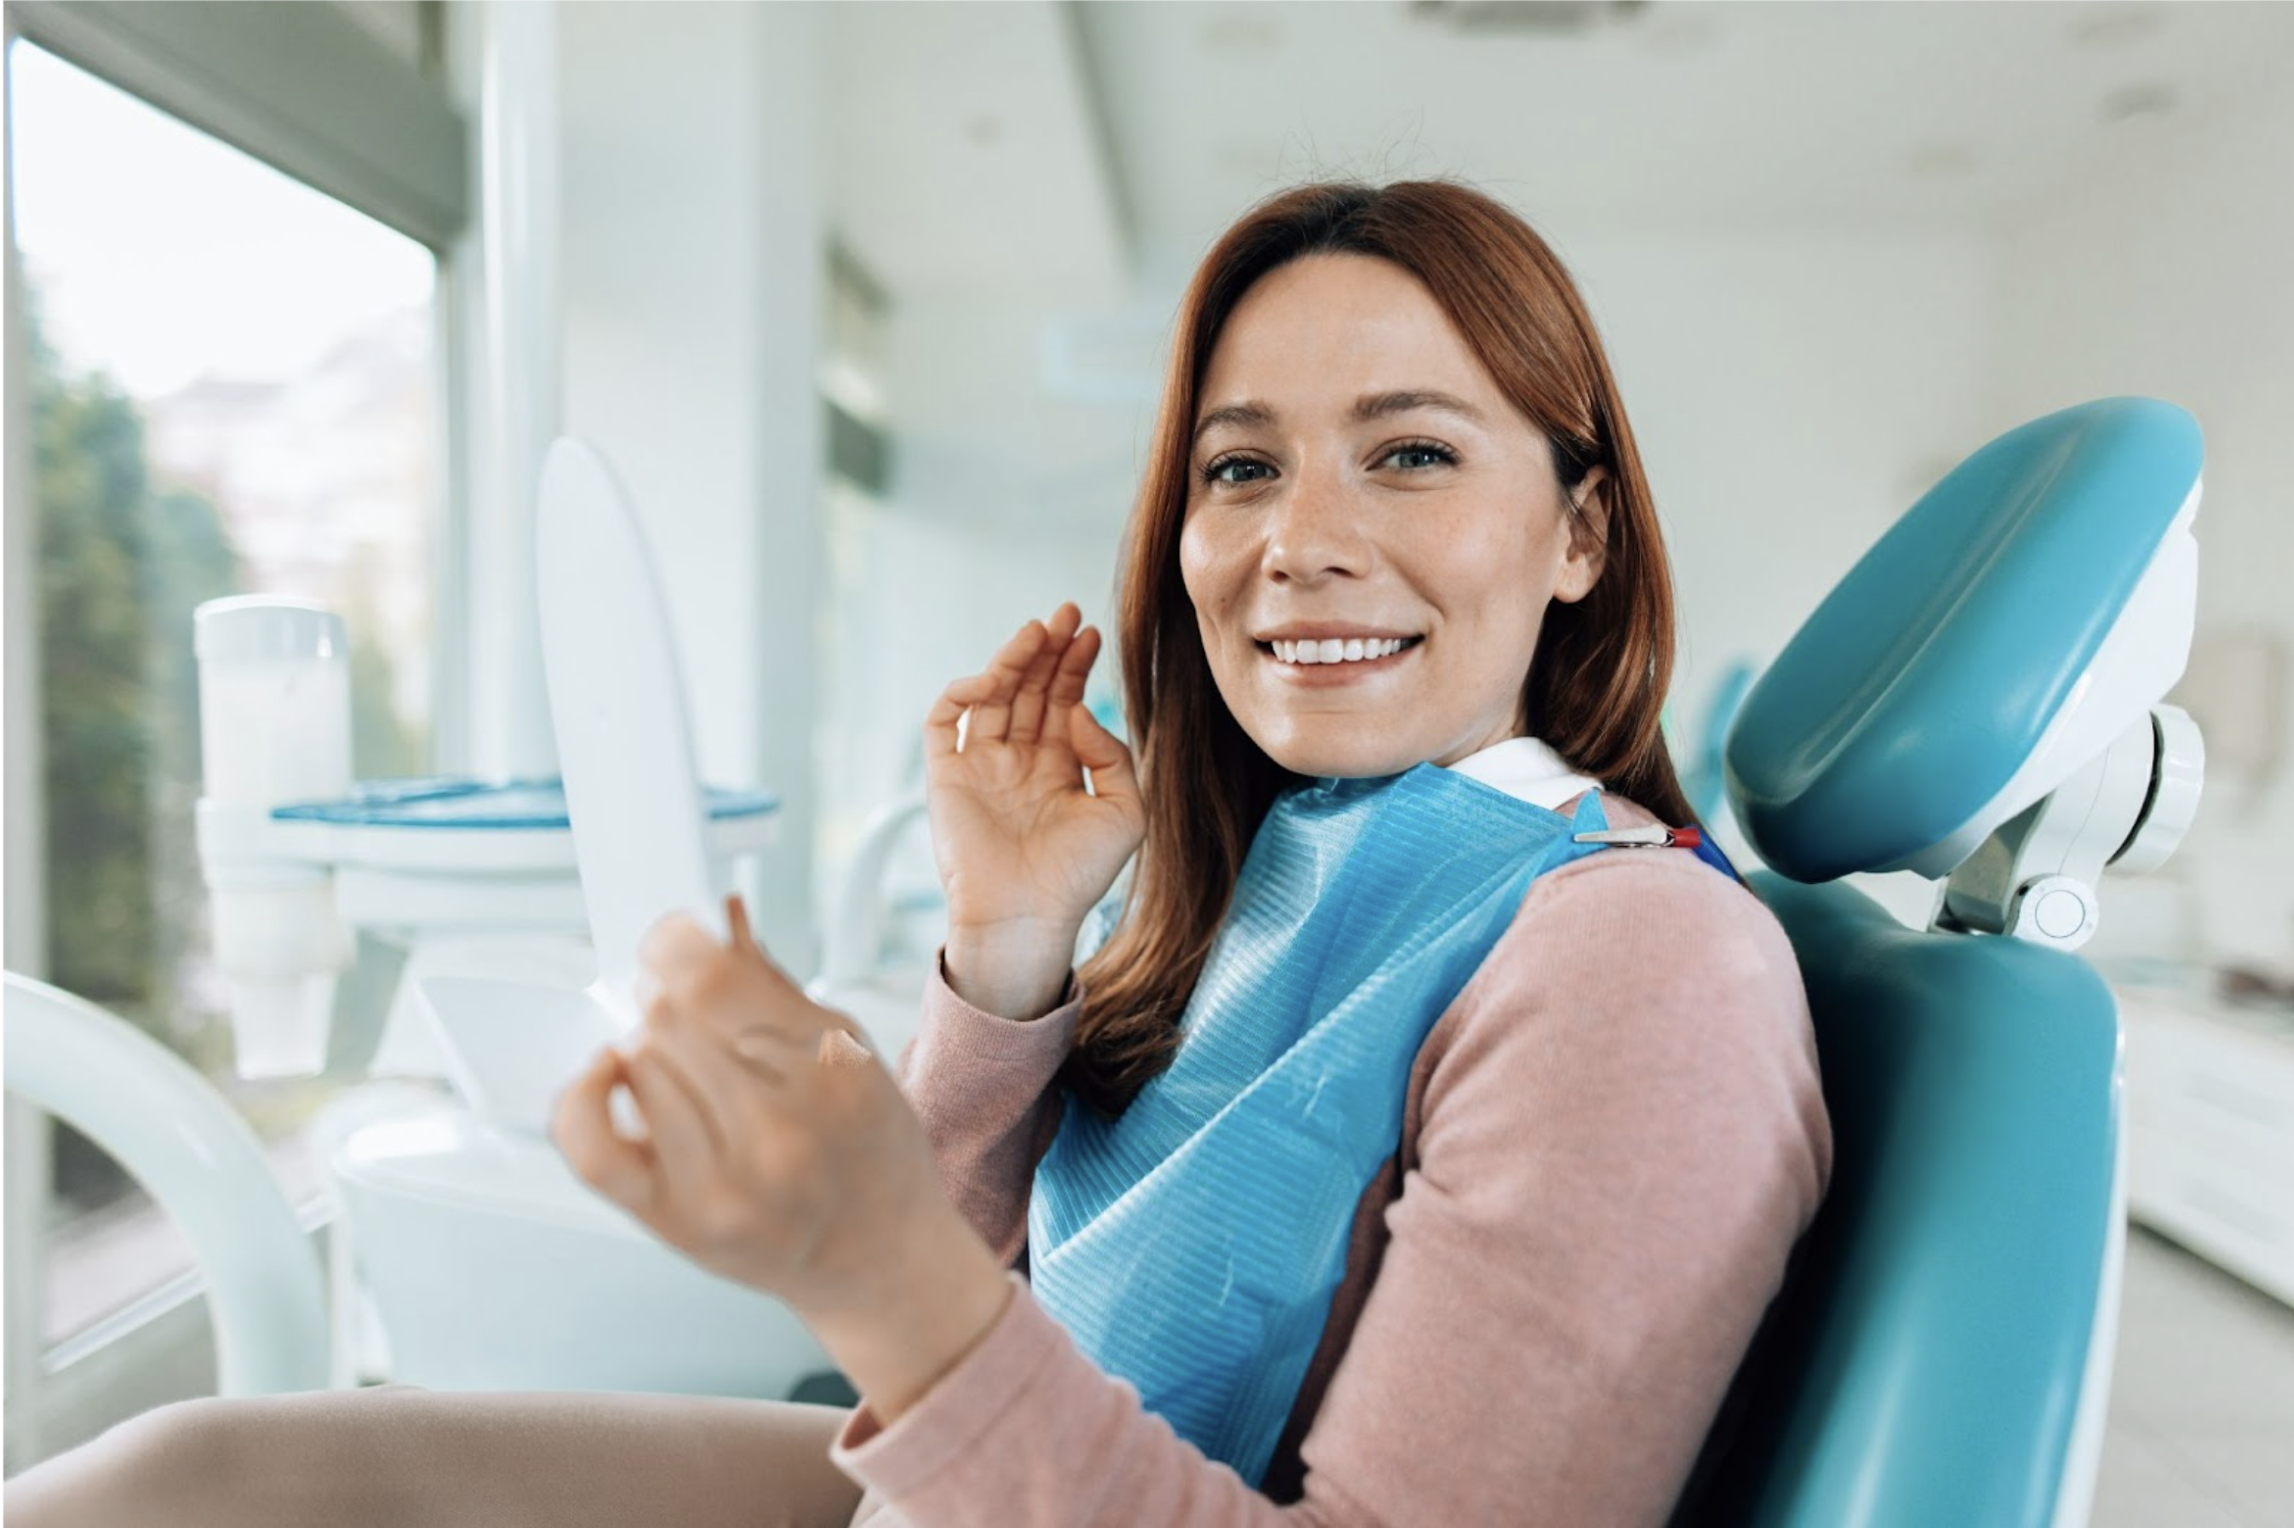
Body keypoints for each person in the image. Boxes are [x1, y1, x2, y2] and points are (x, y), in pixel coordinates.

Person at [6, 179, 1830, 1528]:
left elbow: (931, 1323)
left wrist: (872, 1265)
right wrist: (1009, 946)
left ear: (1580, 530)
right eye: (1241, 467)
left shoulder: (1644, 967)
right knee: (181, 1486)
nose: (1299, 545)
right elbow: (1005, 1319)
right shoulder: (1312, 856)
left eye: (1412, 456)